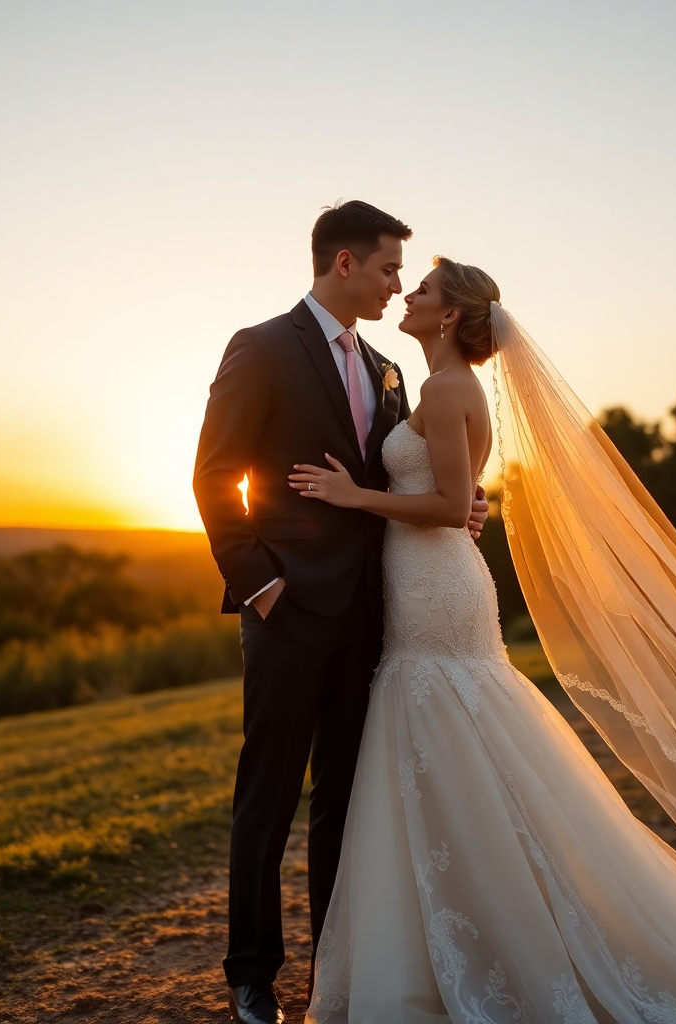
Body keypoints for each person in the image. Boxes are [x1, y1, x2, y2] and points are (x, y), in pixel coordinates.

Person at [290, 256, 676, 1022]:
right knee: (454, 745)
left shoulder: (445, 388)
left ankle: (490, 941)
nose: (410, 294)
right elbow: (464, 497)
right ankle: (459, 937)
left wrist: (352, 494)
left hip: (437, 585)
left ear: (448, 318)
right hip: (431, 581)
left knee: (449, 729)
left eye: (426, 289)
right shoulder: (443, 388)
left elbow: (445, 505)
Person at [193, 204, 489, 1024]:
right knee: (268, 795)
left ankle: (335, 969)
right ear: (347, 262)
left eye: (406, 275)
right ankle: (251, 975)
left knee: (344, 803)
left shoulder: (391, 369)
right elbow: (215, 476)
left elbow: (413, 479)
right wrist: (261, 586)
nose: (398, 284)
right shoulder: (260, 347)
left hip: (375, 613)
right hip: (287, 609)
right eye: (392, 269)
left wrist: (464, 503)